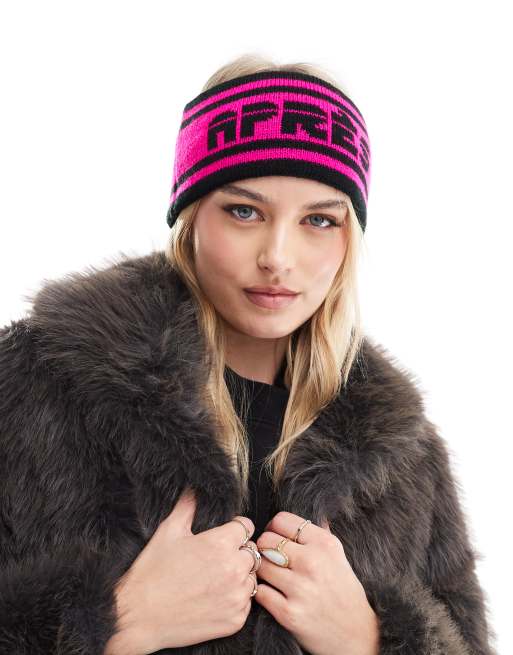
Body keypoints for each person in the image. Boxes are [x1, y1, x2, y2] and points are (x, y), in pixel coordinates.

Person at [0, 54, 497, 655]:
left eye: (319, 220)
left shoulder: (403, 460)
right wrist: (121, 624)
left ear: (350, 240)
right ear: (191, 216)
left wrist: (368, 640)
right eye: (244, 211)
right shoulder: (35, 387)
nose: (278, 257)